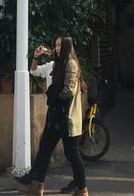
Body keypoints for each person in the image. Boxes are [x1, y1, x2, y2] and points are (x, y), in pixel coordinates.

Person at [17, 36, 89, 196]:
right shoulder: (57, 64)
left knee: (72, 153)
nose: (57, 48)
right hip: (56, 115)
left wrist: (53, 95)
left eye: (60, 45)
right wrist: (36, 56)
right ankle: (38, 186)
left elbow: (69, 90)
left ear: (67, 46)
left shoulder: (70, 63)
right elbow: (34, 71)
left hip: (67, 117)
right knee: (45, 148)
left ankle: (82, 189)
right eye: (56, 45)